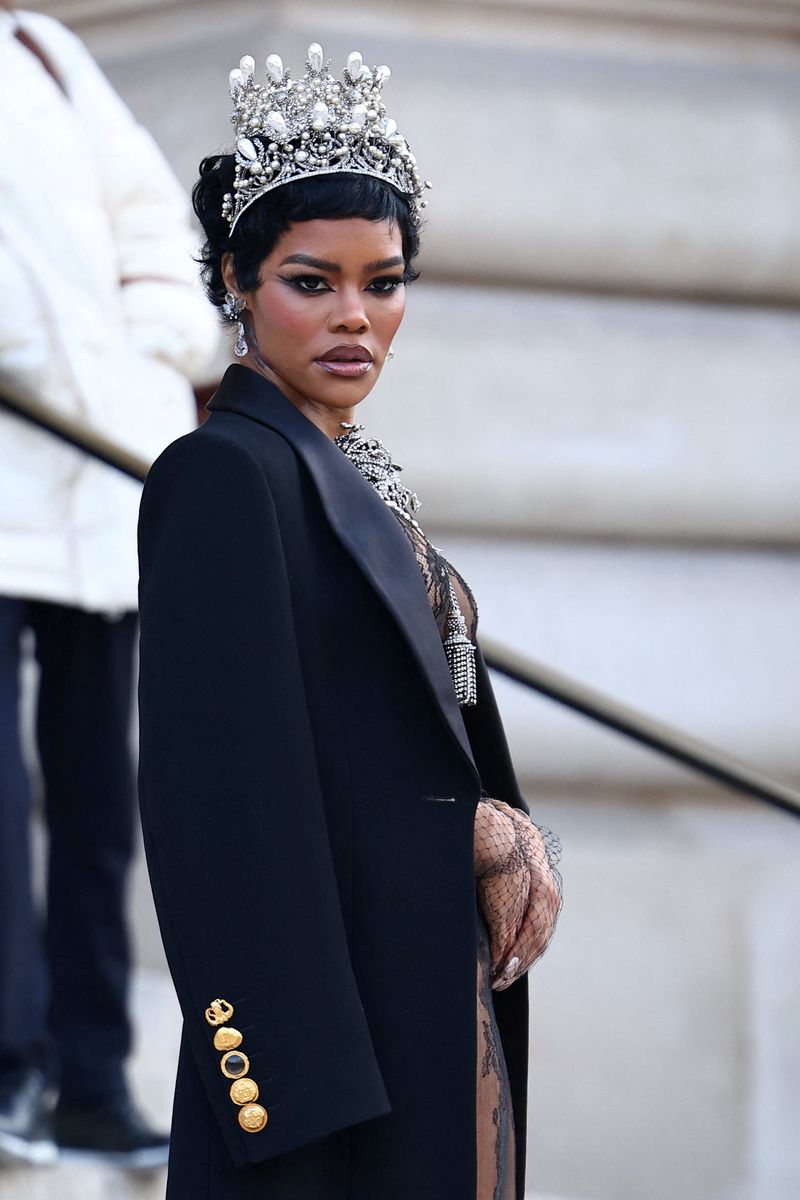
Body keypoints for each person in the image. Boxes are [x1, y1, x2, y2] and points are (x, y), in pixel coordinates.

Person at [137, 43, 562, 1200]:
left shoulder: (351, 478)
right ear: (236, 279)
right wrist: (282, 1094)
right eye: (310, 280)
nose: (354, 317)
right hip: (325, 1082)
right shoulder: (222, 474)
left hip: (424, 1008)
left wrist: (500, 826)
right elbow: (219, 805)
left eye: (382, 282)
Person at [0, 4, 218, 1170]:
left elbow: (150, 218)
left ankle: (90, 1073)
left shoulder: (46, 45)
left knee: (99, 801)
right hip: (13, 464)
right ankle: (11, 1063)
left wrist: (156, 342)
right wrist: (29, 353)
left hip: (96, 483)